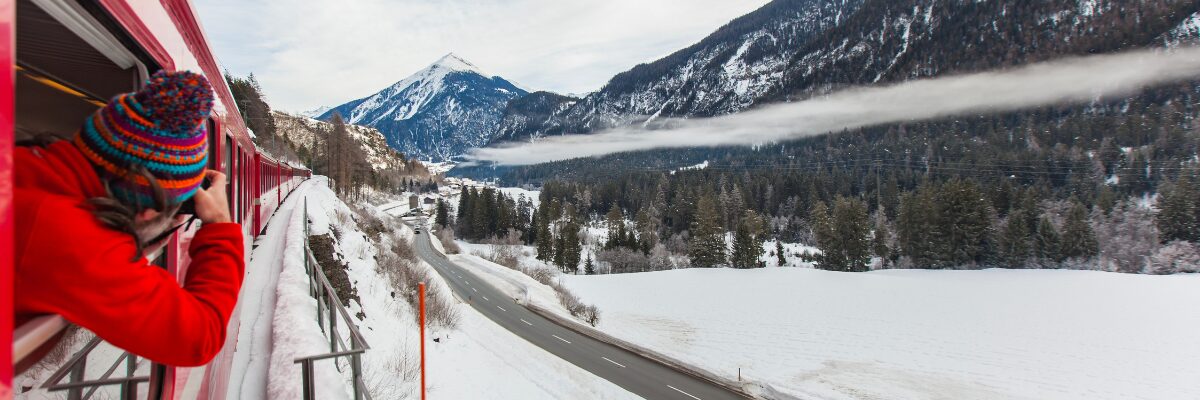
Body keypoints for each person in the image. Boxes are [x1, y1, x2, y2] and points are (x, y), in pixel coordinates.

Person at [13, 70, 243, 367]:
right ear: (148, 209)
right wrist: (220, 226)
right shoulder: (74, 241)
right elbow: (200, 337)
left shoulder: (25, 167)